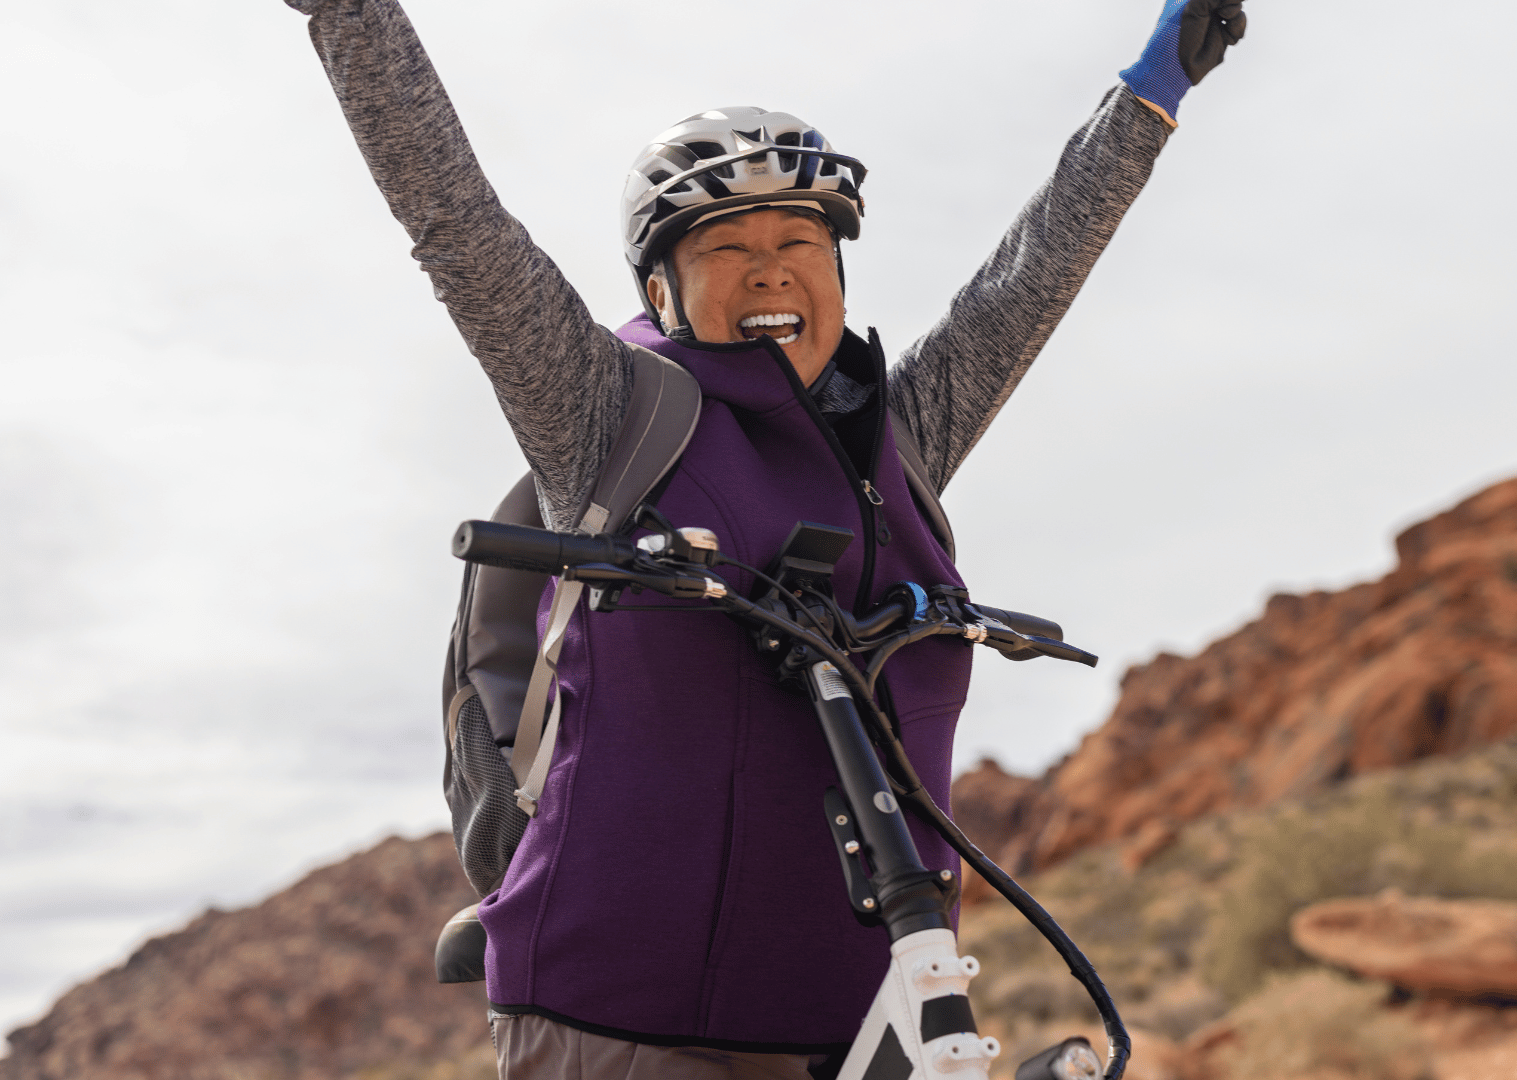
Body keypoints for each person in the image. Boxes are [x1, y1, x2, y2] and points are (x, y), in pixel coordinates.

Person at [280, 0, 1245, 1075]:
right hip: (623, 1012)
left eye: (799, 242)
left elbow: (1032, 276)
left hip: (865, 1001)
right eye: (726, 248)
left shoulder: (903, 435)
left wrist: (1152, 93)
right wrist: (351, 16)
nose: (772, 267)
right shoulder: (603, 417)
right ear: (661, 291)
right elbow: (457, 224)